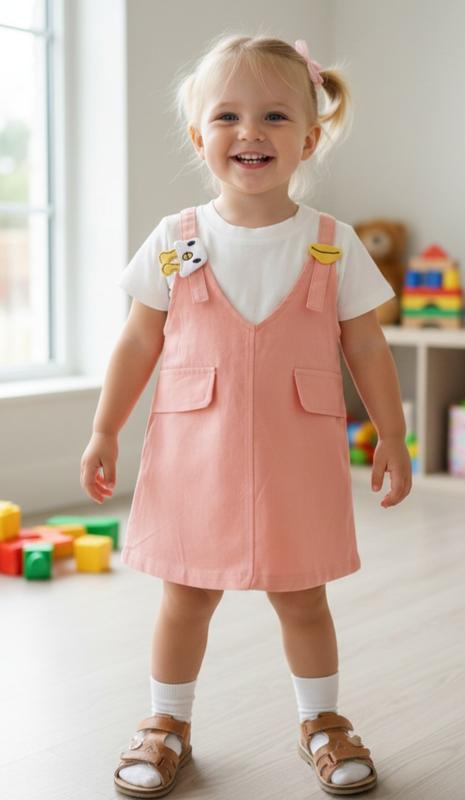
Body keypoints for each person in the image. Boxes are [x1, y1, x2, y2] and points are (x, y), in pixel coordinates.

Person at [80, 33, 412, 798]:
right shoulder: (174, 241)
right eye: (226, 116)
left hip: (297, 458)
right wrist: (104, 429)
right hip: (195, 455)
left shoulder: (332, 244)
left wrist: (393, 434)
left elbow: (366, 345)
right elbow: (138, 340)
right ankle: (166, 722)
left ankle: (321, 721)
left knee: (302, 596)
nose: (249, 132)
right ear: (198, 137)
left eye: (273, 115)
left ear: (309, 138)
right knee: (185, 596)